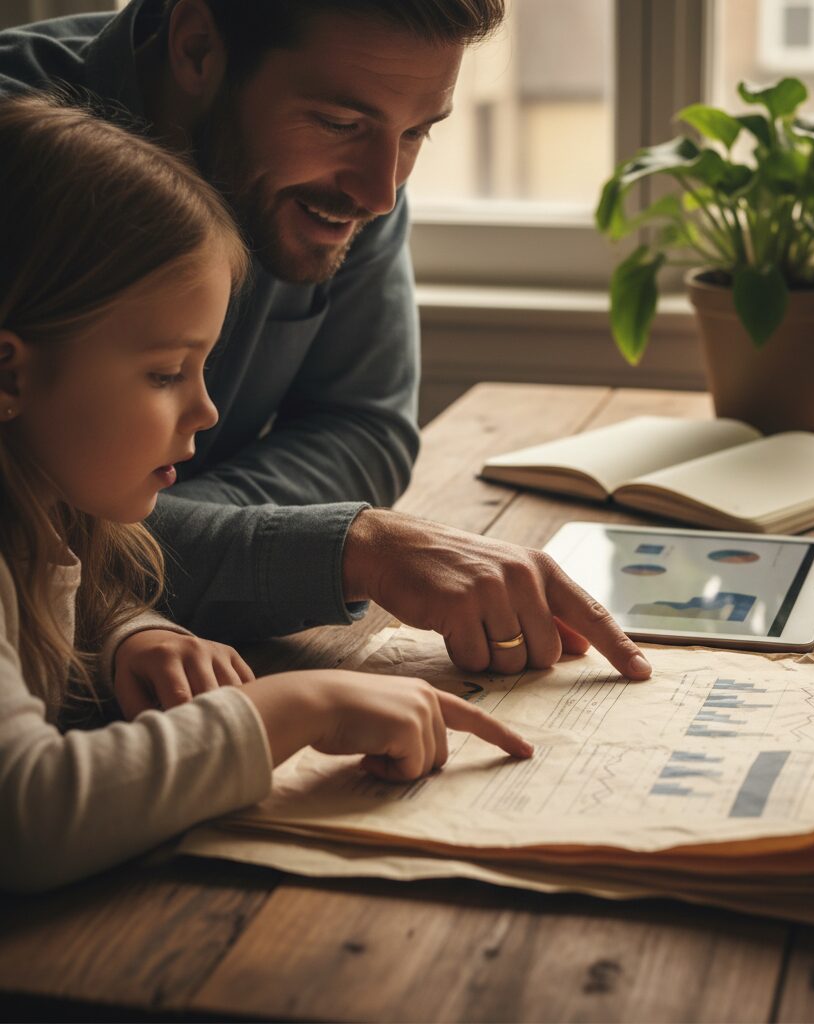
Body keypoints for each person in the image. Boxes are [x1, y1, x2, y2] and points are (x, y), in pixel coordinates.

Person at [0, 0, 654, 684]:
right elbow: (16, 524)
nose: (381, 194)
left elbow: (364, 426)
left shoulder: (346, 184)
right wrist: (343, 550)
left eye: (416, 134)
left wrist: (140, 584)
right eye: (341, 123)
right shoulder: (23, 157)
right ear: (197, 47)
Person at [0, 94, 532, 893]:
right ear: (10, 372)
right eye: (164, 373)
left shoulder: (40, 506)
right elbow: (26, 820)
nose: (206, 410)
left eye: (204, 367)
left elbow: (66, 574)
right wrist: (297, 707)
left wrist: (126, 635)